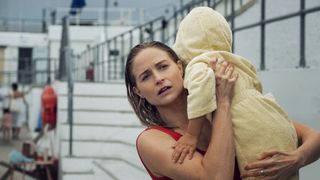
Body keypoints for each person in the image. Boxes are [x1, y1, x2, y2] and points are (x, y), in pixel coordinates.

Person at [125, 41, 320, 179]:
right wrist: (223, 101)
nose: (158, 78)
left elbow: (313, 136)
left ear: (180, 68)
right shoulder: (151, 140)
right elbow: (217, 177)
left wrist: (297, 159)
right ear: (138, 91)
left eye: (163, 67)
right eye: (145, 77)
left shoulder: (222, 112)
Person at [171, 7, 300, 178]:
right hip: (272, 116)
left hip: (246, 123)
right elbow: (255, 83)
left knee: (259, 171)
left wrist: (191, 135)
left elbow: (201, 91)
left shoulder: (199, 64)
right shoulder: (236, 61)